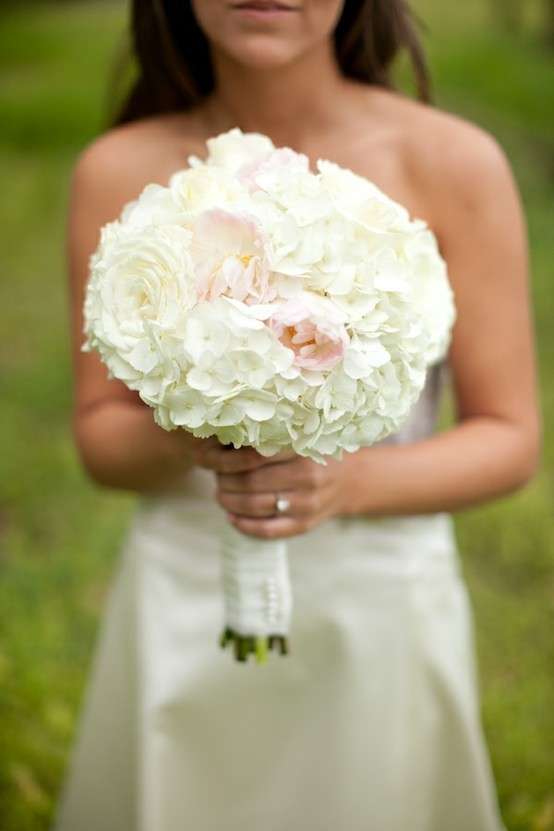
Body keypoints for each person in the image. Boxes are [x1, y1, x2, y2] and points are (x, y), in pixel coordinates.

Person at [53, 0, 541, 828]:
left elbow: (511, 437)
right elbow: (102, 441)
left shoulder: (452, 162)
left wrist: (345, 483)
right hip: (184, 582)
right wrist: (190, 432)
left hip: (379, 596)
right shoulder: (119, 167)